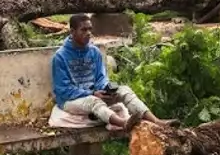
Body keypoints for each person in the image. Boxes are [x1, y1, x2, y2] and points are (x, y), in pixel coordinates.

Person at [51, 13, 179, 131]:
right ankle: (124, 123)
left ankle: (157, 122)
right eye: (84, 30)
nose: (89, 33)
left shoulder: (94, 52)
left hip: (95, 95)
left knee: (125, 91)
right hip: (69, 101)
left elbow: (101, 78)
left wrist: (106, 90)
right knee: (93, 101)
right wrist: (92, 93)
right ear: (72, 31)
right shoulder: (60, 57)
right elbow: (64, 89)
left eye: (90, 29)